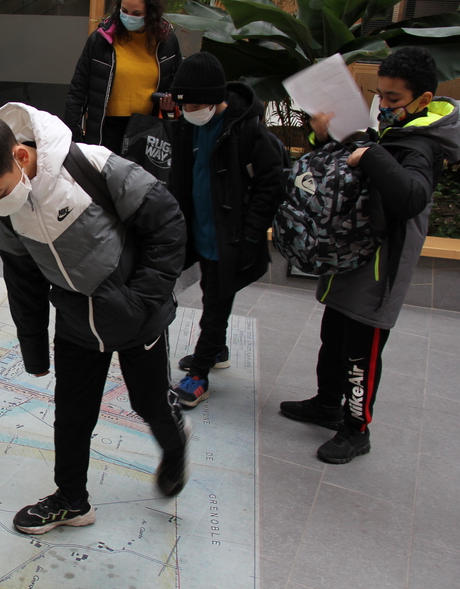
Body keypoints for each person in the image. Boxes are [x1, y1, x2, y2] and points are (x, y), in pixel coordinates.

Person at [0, 102, 190, 535]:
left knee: (148, 402)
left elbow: (167, 222)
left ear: (19, 156)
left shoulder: (91, 164)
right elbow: (22, 280)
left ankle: (174, 445)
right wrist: (34, 347)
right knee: (72, 415)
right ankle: (72, 500)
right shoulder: (7, 207)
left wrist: (142, 301)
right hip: (76, 322)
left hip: (136, 317)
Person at [281, 47, 459, 464]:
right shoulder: (393, 131)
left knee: (362, 352)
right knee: (335, 336)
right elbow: (350, 157)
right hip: (353, 256)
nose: (384, 107)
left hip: (381, 269)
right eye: (380, 96)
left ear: (424, 100)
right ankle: (326, 403)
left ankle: (356, 429)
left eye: (394, 100)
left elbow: (412, 196)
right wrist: (322, 136)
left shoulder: (421, 147)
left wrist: (375, 155)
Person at [166, 52, 285, 408]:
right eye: (184, 105)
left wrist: (250, 233)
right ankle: (216, 350)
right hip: (200, 228)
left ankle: (199, 374)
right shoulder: (189, 124)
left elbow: (271, 184)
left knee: (218, 300)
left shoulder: (246, 129)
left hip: (230, 235)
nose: (189, 111)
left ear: (217, 98)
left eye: (197, 104)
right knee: (210, 292)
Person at [63, 0, 182, 155]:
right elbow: (78, 91)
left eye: (136, 14)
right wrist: (75, 138)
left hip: (147, 131)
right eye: (124, 10)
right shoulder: (101, 40)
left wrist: (170, 103)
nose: (128, 17)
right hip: (105, 131)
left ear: (151, 13)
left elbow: (178, 83)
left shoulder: (167, 42)